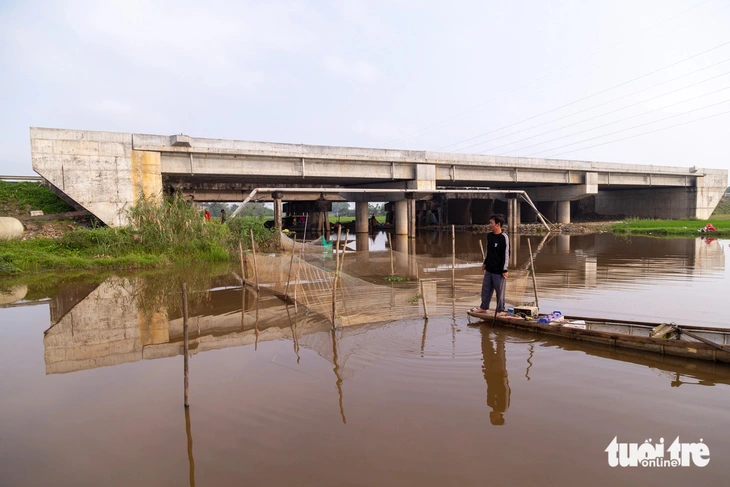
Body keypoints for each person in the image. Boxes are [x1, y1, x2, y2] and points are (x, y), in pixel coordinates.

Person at [473, 214, 509, 315]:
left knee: (500, 292)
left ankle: (500, 310)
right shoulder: (490, 235)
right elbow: (488, 251)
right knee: (486, 289)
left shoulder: (504, 237)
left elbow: (506, 254)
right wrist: (485, 263)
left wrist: (505, 269)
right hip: (489, 269)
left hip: (499, 271)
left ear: (498, 224)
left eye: (491, 223)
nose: (490, 225)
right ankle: (484, 307)